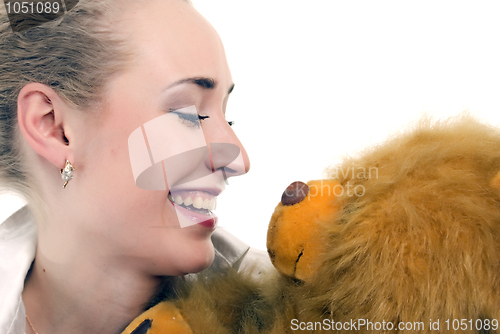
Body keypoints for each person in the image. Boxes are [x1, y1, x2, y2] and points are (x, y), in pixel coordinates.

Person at [0, 0, 267, 333]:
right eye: (189, 114)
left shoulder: (300, 311)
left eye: (227, 118)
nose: (239, 159)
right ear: (53, 127)